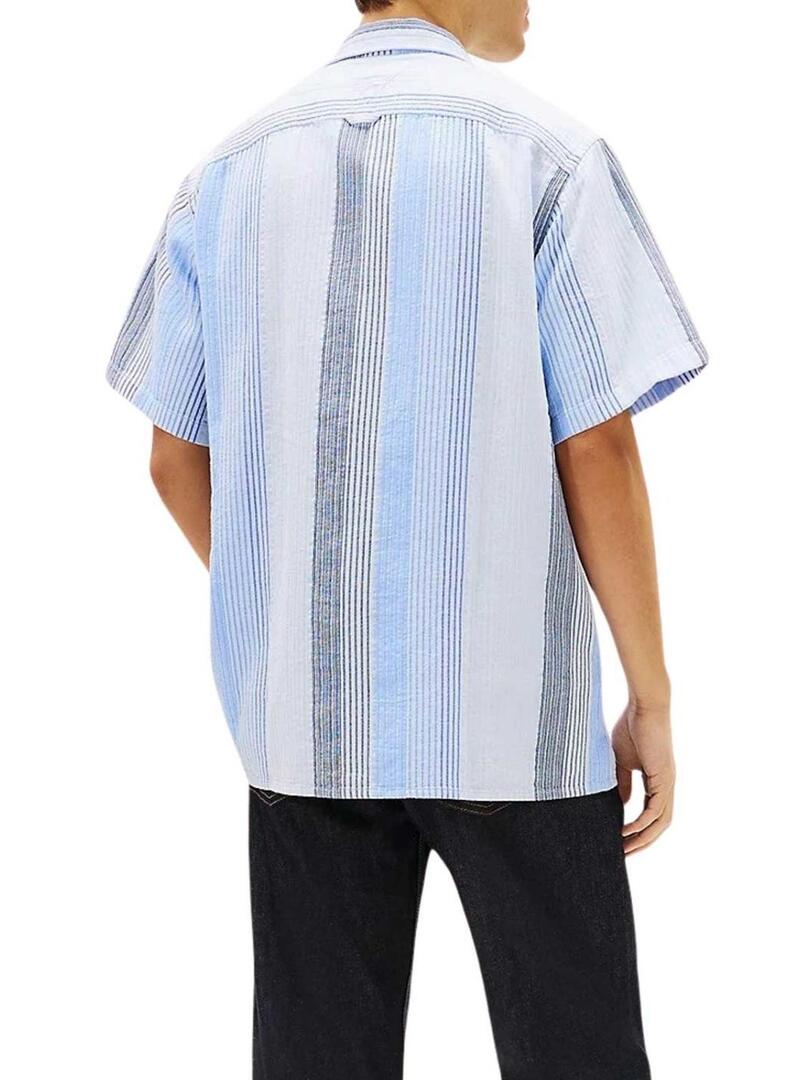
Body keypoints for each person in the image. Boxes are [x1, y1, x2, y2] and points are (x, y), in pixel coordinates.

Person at [106, 1, 707, 1076]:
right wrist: (650, 696)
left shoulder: (228, 174)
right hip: (515, 719)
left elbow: (171, 455)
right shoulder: (546, 156)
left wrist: (291, 608)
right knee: (580, 1054)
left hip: (306, 726)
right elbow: (597, 444)